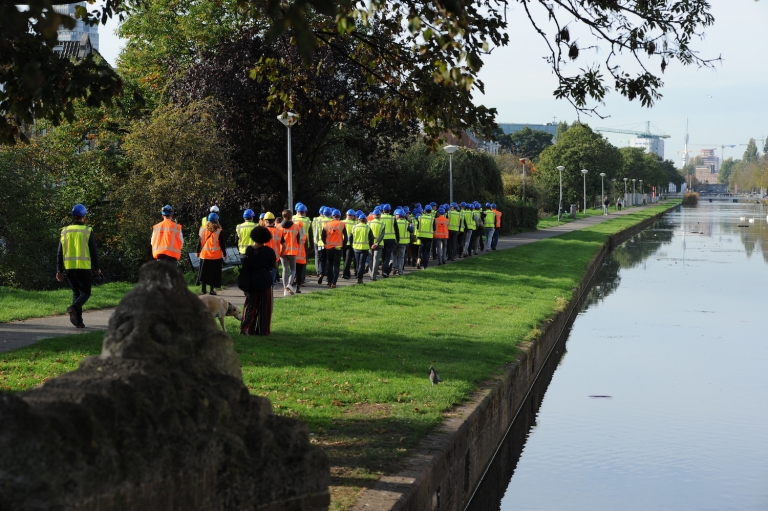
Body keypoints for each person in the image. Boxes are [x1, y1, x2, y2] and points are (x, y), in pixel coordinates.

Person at [56, 204, 101, 328]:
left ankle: (79, 322)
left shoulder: (65, 231)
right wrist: (97, 268)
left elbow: (59, 253)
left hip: (69, 268)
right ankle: (74, 308)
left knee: (76, 293)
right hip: (84, 267)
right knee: (85, 293)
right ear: (84, 216)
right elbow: (93, 251)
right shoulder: (87, 230)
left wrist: (59, 270)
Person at [239, 226, 278, 336]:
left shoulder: (249, 250)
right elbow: (275, 265)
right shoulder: (269, 251)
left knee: (251, 305)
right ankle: (263, 330)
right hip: (265, 279)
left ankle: (246, 328)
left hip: (251, 279)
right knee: (265, 306)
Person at [197, 213, 224, 295]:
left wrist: (197, 252)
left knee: (204, 272)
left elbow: (199, 242)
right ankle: (211, 290)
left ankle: (203, 289)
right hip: (216, 256)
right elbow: (222, 244)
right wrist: (225, 254)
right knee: (213, 273)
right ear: (217, 220)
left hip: (205, 255)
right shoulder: (219, 230)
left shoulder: (202, 230)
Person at [277, 209, 302, 296]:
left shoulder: (279, 227)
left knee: (284, 269)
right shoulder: (296, 227)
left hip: (282, 251)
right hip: (292, 250)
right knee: (293, 269)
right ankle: (289, 285)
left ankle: (285, 289)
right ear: (291, 216)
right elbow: (298, 240)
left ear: (283, 216)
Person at [321, 209, 347, 288]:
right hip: (338, 248)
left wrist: (326, 244)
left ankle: (329, 281)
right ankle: (334, 283)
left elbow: (322, 236)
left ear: (332, 216)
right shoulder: (342, 224)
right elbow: (346, 237)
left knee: (329, 264)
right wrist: (343, 246)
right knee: (336, 265)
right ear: (339, 216)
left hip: (329, 248)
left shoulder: (326, 224)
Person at [292, 203, 311, 292]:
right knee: (302, 264)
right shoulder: (307, 220)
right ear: (304, 212)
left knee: (293, 264)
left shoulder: (293, 219)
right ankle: (301, 281)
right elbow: (310, 232)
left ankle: (294, 279)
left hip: (293, 244)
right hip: (304, 242)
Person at [351, 214, 375, 284]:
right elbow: (371, 239)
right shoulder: (368, 228)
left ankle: (357, 276)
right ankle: (359, 278)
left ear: (359, 220)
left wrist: (352, 244)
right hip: (364, 248)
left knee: (357, 263)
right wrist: (370, 245)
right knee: (361, 263)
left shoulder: (354, 227)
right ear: (365, 220)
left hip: (356, 248)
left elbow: (350, 237)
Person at [379, 204, 398, 278]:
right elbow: (396, 230)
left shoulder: (380, 217)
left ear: (383, 210)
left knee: (383, 256)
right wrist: (398, 239)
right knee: (387, 256)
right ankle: (385, 271)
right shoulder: (393, 218)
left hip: (382, 239)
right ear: (390, 210)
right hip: (390, 239)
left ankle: (385, 271)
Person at [394, 208, 412, 275]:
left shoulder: (395, 223)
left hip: (395, 241)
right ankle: (400, 270)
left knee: (394, 255)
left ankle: (394, 267)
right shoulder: (407, 223)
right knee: (401, 257)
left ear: (398, 216)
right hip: (404, 242)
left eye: (396, 215)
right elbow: (411, 231)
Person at [417, 205, 435, 269]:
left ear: (425, 210)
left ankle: (422, 263)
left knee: (422, 251)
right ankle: (425, 265)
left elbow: (417, 227)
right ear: (431, 211)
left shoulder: (420, 217)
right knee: (427, 251)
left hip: (421, 236)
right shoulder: (432, 218)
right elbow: (434, 229)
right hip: (429, 237)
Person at [341, 209, 357, 279]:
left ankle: (347, 273)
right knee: (348, 260)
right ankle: (345, 273)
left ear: (346, 215)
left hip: (342, 242)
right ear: (353, 216)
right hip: (351, 244)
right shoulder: (355, 223)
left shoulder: (341, 222)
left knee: (345, 259)